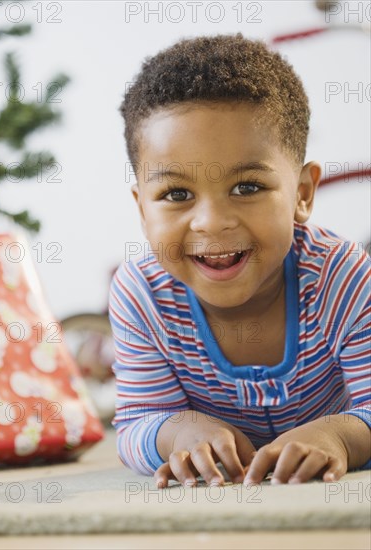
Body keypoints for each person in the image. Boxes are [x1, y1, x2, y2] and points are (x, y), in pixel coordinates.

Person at [109, 34, 370, 488]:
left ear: (302, 194)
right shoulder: (143, 295)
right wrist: (177, 432)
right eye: (176, 194)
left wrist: (340, 436)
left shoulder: (341, 276)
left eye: (247, 187)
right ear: (142, 209)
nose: (211, 223)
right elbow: (136, 424)